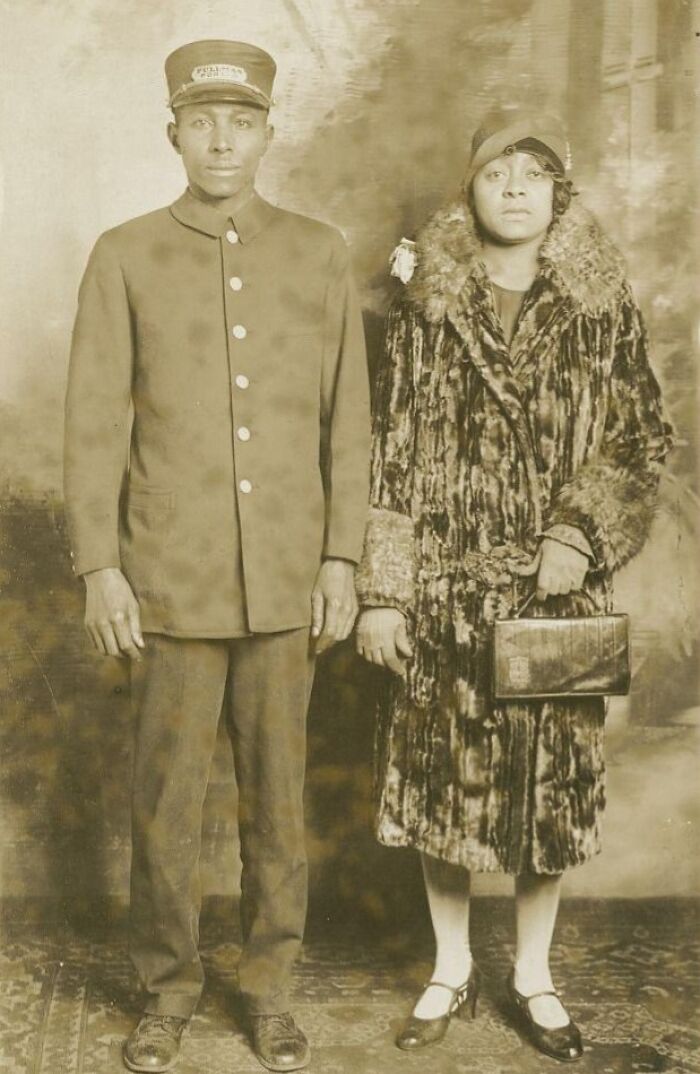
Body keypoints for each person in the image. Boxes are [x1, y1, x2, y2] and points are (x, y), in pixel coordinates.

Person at [64, 39, 370, 1074]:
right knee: (167, 803)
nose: (222, 139)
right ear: (174, 134)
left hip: (286, 574)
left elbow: (346, 425)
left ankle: (268, 989)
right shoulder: (125, 252)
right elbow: (95, 422)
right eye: (202, 122)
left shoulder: (318, 251)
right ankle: (166, 990)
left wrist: (341, 557)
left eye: (241, 121)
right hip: (168, 572)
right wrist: (100, 564)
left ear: (267, 132)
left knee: (279, 805)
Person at [355, 108, 673, 1062]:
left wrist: (580, 531)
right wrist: (383, 591)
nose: (517, 189)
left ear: (560, 191)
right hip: (446, 589)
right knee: (438, 786)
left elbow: (638, 439)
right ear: (472, 189)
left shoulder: (600, 304)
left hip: (553, 595)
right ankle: (449, 966)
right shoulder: (424, 305)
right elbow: (391, 452)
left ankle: (534, 975)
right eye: (499, 173)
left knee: (550, 795)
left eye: (535, 173)